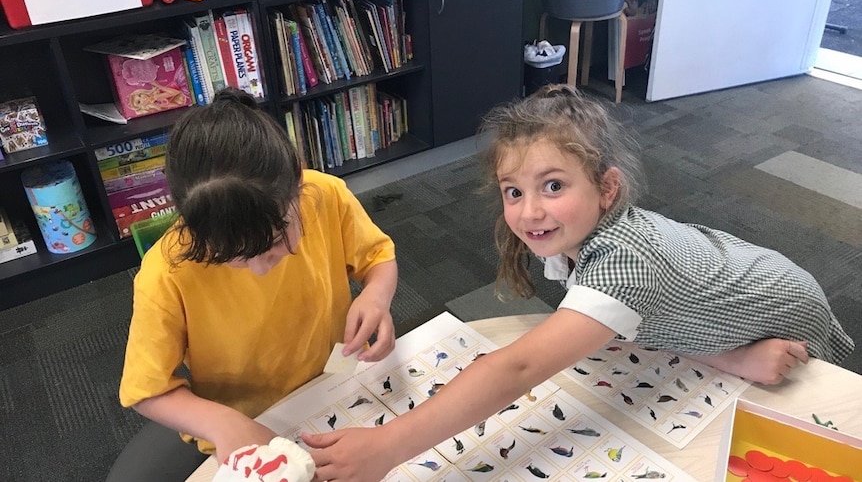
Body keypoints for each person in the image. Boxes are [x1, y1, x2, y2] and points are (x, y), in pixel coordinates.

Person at [303, 84, 854, 482]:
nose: (530, 211)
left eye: (553, 185)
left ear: (607, 188)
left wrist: (387, 445)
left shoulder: (621, 263)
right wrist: (731, 358)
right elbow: (637, 317)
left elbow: (515, 367)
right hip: (722, 300)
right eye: (513, 191)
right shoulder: (582, 237)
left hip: (782, 310)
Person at [107, 87, 398, 482]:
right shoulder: (165, 273)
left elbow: (379, 257)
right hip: (247, 422)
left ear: (297, 182)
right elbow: (146, 390)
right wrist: (222, 424)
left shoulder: (324, 195)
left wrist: (377, 296)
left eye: (277, 242)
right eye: (233, 257)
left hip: (339, 385)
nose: (262, 269)